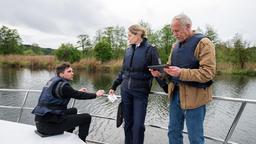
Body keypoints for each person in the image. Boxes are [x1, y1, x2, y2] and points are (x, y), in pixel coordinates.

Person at [150, 14, 216, 144]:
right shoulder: (175, 46)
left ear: (188, 27)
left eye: (177, 31)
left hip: (195, 97)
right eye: (172, 31)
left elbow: (208, 73)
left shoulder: (204, 43)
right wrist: (161, 74)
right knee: (173, 132)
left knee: (195, 137)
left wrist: (181, 73)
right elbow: (170, 70)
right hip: (175, 95)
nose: (174, 34)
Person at [108, 24, 164, 144]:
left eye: (129, 35)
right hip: (125, 92)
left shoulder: (150, 49)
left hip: (140, 93)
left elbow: (158, 72)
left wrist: (168, 89)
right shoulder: (128, 50)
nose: (128, 38)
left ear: (138, 34)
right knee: (127, 124)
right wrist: (114, 86)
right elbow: (123, 71)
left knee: (138, 126)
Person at [32, 62, 104, 143]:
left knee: (73, 110)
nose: (72, 73)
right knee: (86, 117)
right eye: (69, 72)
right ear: (61, 74)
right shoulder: (64, 86)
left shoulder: (53, 81)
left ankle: (68, 135)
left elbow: (68, 93)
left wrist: (76, 92)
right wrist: (96, 94)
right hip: (49, 127)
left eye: (72, 71)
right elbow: (78, 95)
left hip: (40, 123)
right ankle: (81, 142)